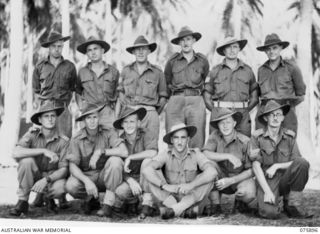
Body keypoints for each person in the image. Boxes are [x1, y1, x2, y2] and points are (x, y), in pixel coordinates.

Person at [250, 100, 311, 219]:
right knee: (269, 213)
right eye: (271, 114)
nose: (275, 118)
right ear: (266, 118)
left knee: (302, 163)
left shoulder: (289, 136)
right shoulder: (257, 137)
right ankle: (257, 202)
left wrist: (277, 166)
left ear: (283, 118)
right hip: (267, 180)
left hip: (285, 178)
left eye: (278, 114)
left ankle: (291, 204)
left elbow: (296, 161)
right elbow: (256, 166)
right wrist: (267, 191)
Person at [142, 123, 218, 219]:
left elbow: (212, 172)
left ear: (188, 139)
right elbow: (147, 170)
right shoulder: (165, 154)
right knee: (150, 172)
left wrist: (191, 185)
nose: (179, 142)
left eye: (183, 138)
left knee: (209, 177)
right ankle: (185, 212)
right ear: (171, 140)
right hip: (170, 198)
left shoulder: (196, 154)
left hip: (191, 197)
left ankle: (174, 210)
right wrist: (164, 185)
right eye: (176, 138)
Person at [65, 103, 128, 217]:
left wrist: (101, 151)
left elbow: (124, 151)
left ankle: (108, 203)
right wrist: (86, 181)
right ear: (84, 120)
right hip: (87, 176)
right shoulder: (76, 138)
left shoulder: (108, 132)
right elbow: (72, 166)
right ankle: (92, 199)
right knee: (71, 185)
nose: (92, 121)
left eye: (94, 117)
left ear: (99, 118)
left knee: (115, 161)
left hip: (105, 177)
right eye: (88, 118)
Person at [9, 100, 69, 216]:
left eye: (52, 116)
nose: (50, 119)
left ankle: (48, 198)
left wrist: (46, 180)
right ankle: (23, 202)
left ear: (56, 118)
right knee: (26, 161)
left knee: (61, 187)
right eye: (46, 116)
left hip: (52, 178)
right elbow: (15, 153)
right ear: (40, 120)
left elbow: (64, 169)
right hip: (34, 176)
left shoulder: (64, 141)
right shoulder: (32, 134)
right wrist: (43, 150)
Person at [202, 108, 256, 216]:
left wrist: (231, 180)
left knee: (249, 193)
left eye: (228, 122)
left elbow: (251, 170)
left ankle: (240, 201)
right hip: (220, 178)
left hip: (237, 179)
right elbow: (205, 154)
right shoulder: (215, 136)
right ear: (218, 125)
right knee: (209, 165)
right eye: (222, 123)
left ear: (234, 123)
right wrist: (228, 156)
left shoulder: (245, 141)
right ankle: (216, 204)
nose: (225, 126)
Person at [164, 26, 209, 148]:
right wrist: (172, 100)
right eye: (182, 40)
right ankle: (173, 165)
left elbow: (206, 80)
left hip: (196, 100)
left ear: (194, 40)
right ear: (179, 43)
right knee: (174, 137)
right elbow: (167, 80)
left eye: (188, 39)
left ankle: (195, 165)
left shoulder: (202, 60)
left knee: (197, 137)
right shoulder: (172, 61)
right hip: (176, 99)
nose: (185, 43)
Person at [204, 36, 258, 137]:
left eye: (235, 47)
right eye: (228, 47)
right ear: (224, 50)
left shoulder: (248, 71)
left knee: (244, 146)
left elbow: (254, 98)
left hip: (242, 116)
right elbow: (206, 98)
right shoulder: (215, 71)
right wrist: (217, 112)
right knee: (216, 146)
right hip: (220, 115)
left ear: (239, 49)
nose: (232, 50)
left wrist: (243, 110)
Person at [118, 35, 168, 141]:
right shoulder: (126, 71)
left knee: (151, 147)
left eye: (144, 49)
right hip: (130, 113)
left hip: (149, 113)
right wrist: (127, 109)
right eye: (137, 49)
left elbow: (163, 97)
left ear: (149, 51)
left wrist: (153, 112)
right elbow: (120, 92)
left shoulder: (157, 72)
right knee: (128, 146)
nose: (140, 52)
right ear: (133, 52)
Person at [255, 33, 306, 134]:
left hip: (286, 112)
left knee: (287, 143)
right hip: (265, 111)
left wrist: (287, 106)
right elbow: (259, 95)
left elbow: (301, 95)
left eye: (274, 48)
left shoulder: (292, 68)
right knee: (263, 143)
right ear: (265, 51)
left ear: (281, 48)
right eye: (268, 49)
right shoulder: (261, 70)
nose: (271, 51)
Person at [112, 107, 158, 218]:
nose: (129, 125)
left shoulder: (147, 133)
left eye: (132, 121)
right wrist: (130, 180)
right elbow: (119, 166)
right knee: (120, 192)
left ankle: (147, 203)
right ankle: (133, 202)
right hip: (131, 177)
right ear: (122, 125)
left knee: (147, 161)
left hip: (146, 178)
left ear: (138, 123)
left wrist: (131, 157)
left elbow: (153, 152)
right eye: (126, 122)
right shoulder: (119, 140)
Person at [33, 31, 77, 138]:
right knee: (44, 142)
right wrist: (40, 109)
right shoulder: (40, 66)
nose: (57, 49)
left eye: (60, 46)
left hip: (63, 110)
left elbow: (72, 89)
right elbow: (36, 90)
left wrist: (65, 106)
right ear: (49, 47)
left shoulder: (70, 66)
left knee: (65, 142)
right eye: (54, 46)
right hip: (45, 109)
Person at [76, 36, 120, 129]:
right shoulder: (82, 72)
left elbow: (119, 96)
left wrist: (116, 116)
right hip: (89, 113)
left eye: (95, 49)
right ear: (87, 54)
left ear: (102, 51)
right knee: (87, 142)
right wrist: (81, 108)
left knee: (110, 141)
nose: (93, 52)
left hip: (108, 113)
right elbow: (78, 92)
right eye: (89, 50)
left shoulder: (113, 71)